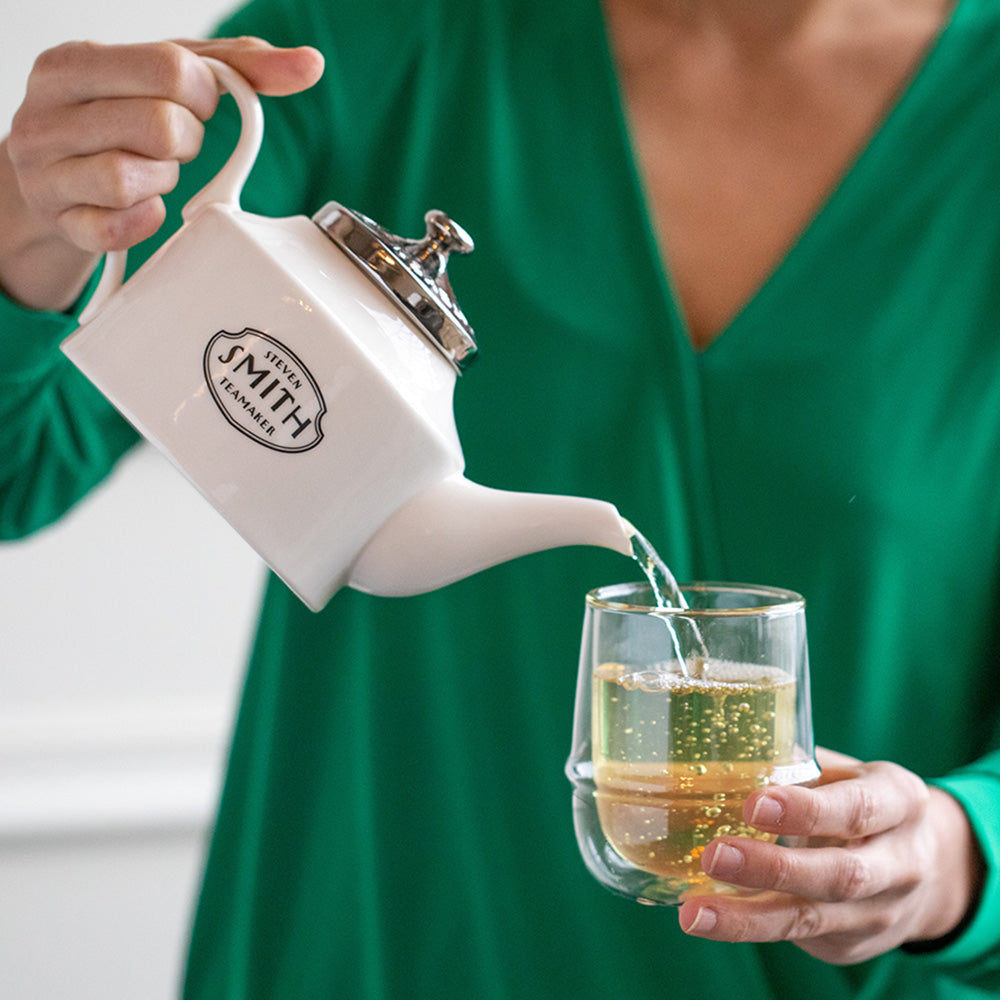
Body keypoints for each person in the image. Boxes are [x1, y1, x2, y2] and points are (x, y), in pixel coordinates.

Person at [2, 0, 998, 996]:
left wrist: (956, 856)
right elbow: (22, 464)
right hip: (367, 953)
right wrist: (27, 222)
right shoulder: (370, 43)